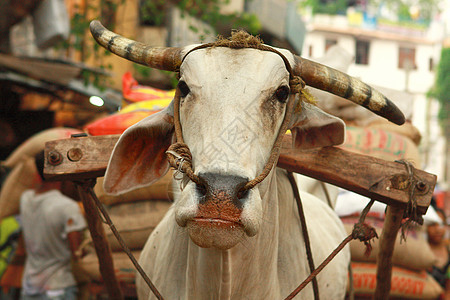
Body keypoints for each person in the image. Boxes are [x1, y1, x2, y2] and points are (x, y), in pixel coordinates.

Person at [19, 150, 86, 300]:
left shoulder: (25, 199)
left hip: (30, 288)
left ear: (37, 174)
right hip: (58, 288)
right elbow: (77, 253)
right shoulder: (67, 207)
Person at [426, 206, 450, 297]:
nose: (437, 229)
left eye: (440, 224)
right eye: (432, 224)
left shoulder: (448, 250)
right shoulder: (420, 252)